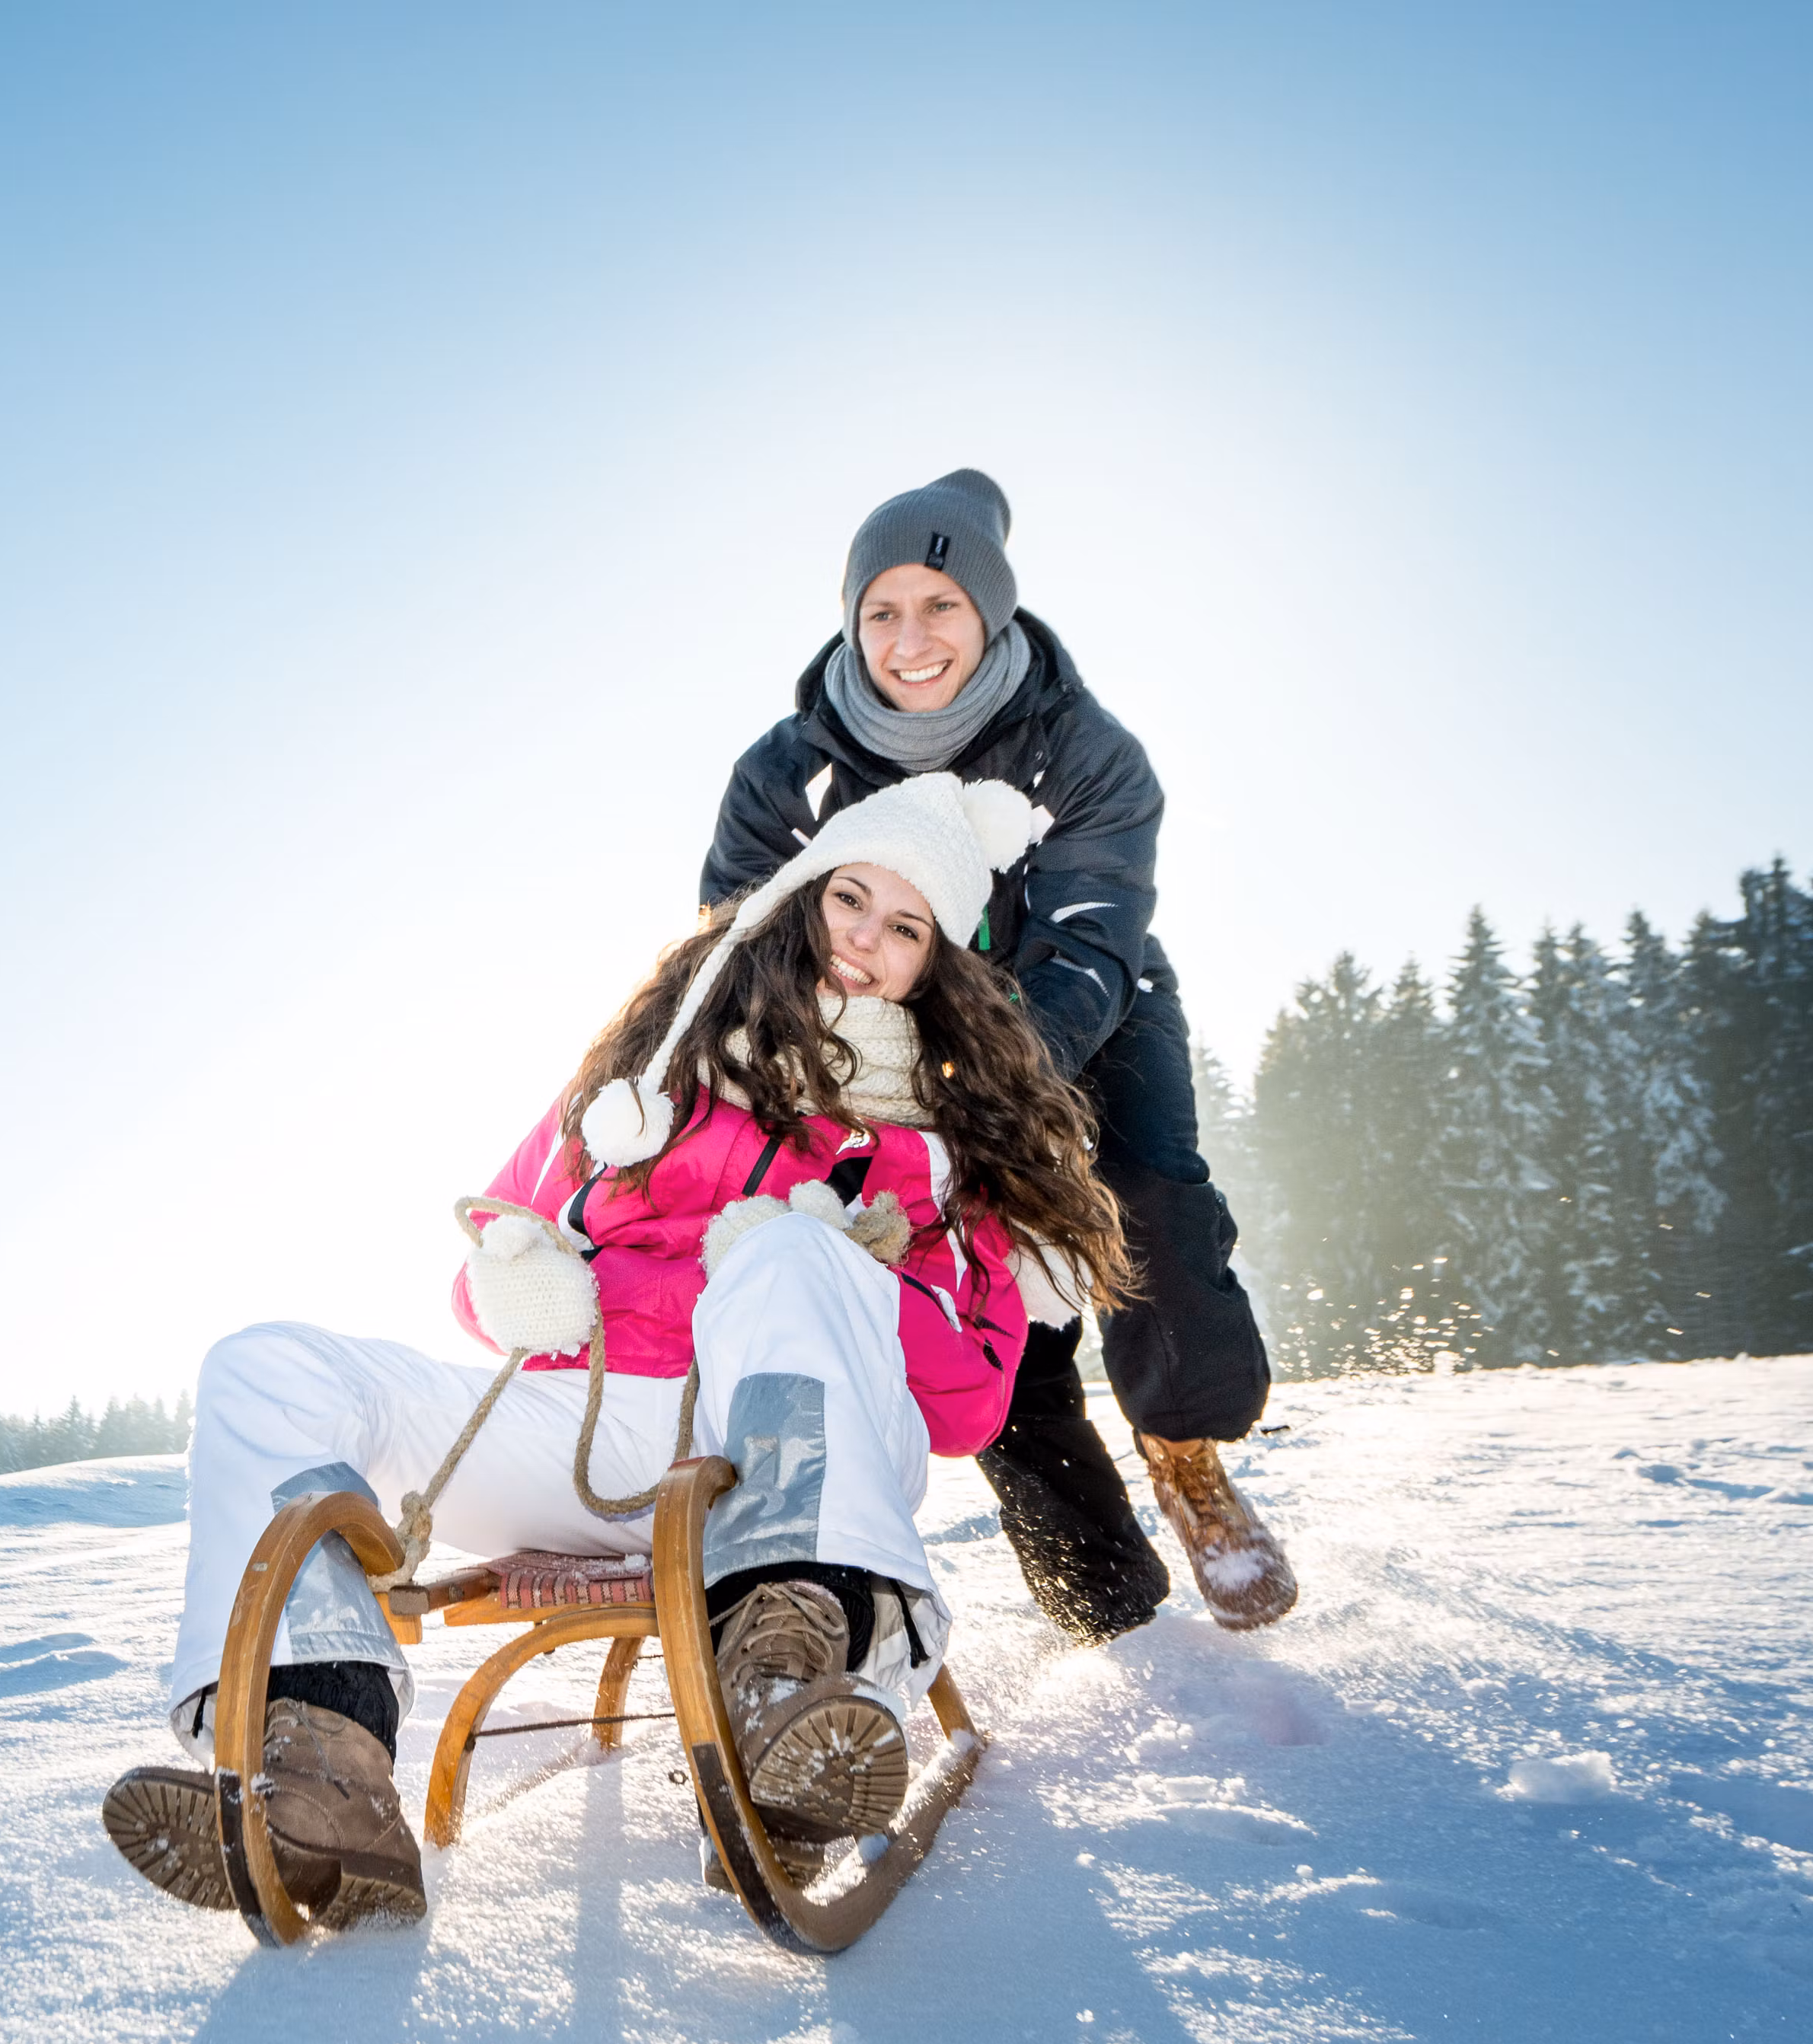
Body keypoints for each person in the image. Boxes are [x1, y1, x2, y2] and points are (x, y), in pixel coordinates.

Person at [103, 772, 1135, 1928]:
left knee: (791, 1261)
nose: (866, 940)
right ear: (801, 895)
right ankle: (320, 1765)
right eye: (852, 898)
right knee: (263, 1367)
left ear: (937, 962)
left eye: (908, 927)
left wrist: (838, 1268)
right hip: (582, 1433)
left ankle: (788, 1698)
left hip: (784, 1459)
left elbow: (966, 1407)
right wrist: (519, 1279)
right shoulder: (652, 1072)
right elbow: (488, 1253)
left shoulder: (944, 1151)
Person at [701, 470, 1293, 1639]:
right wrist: (841, 1060)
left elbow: (1091, 939)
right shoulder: (788, 771)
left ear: (993, 613)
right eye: (883, 610)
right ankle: (1106, 1592)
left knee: (1142, 1210)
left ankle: (1188, 1452)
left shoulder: (1084, 749)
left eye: (942, 606)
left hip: (1090, 1013)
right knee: (959, 1282)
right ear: (849, 617)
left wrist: (984, 1090)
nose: (910, 639)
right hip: (867, 1043)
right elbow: (737, 927)